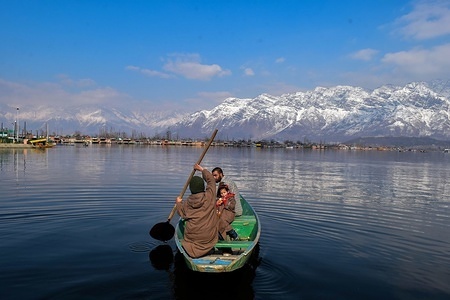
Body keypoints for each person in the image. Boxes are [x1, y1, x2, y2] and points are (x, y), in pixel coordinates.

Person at [176, 164, 218, 258]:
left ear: (191, 189)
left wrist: (178, 203)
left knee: (189, 236)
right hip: (208, 237)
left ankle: (191, 251)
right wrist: (202, 170)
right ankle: (207, 249)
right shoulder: (209, 196)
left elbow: (181, 213)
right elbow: (211, 180)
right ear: (203, 187)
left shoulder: (187, 203)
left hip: (192, 238)